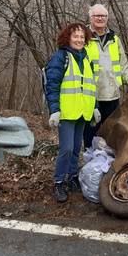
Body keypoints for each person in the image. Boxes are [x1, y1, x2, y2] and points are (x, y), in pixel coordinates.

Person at [45, 22, 100, 203]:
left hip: (83, 112)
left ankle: (72, 177)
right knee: (66, 149)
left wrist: (95, 107)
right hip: (66, 113)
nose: (79, 40)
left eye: (82, 37)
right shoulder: (61, 57)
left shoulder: (86, 59)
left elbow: (91, 86)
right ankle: (59, 181)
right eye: (75, 36)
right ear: (68, 38)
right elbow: (52, 85)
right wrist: (55, 110)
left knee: (77, 148)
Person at [84, 4, 128, 148]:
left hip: (112, 96)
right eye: (96, 15)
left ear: (107, 18)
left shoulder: (114, 39)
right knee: (90, 136)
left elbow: (123, 67)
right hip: (91, 96)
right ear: (90, 18)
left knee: (112, 136)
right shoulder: (83, 37)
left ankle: (109, 166)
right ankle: (89, 166)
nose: (100, 18)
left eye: (103, 16)